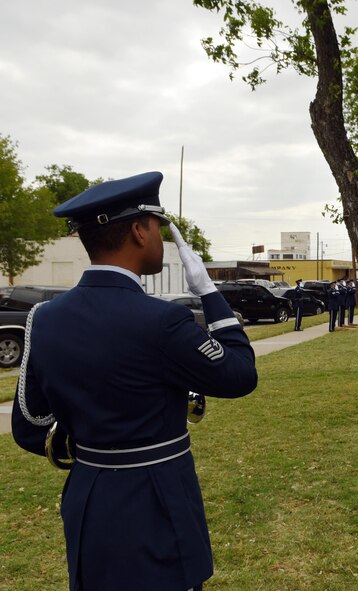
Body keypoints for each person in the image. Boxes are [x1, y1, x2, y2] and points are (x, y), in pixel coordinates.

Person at [11, 171, 258, 591]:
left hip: (88, 498)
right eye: (158, 228)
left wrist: (97, 442)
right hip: (155, 501)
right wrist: (211, 293)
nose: (161, 239)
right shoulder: (162, 321)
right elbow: (240, 374)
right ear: (140, 232)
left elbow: (29, 426)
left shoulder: (44, 318)